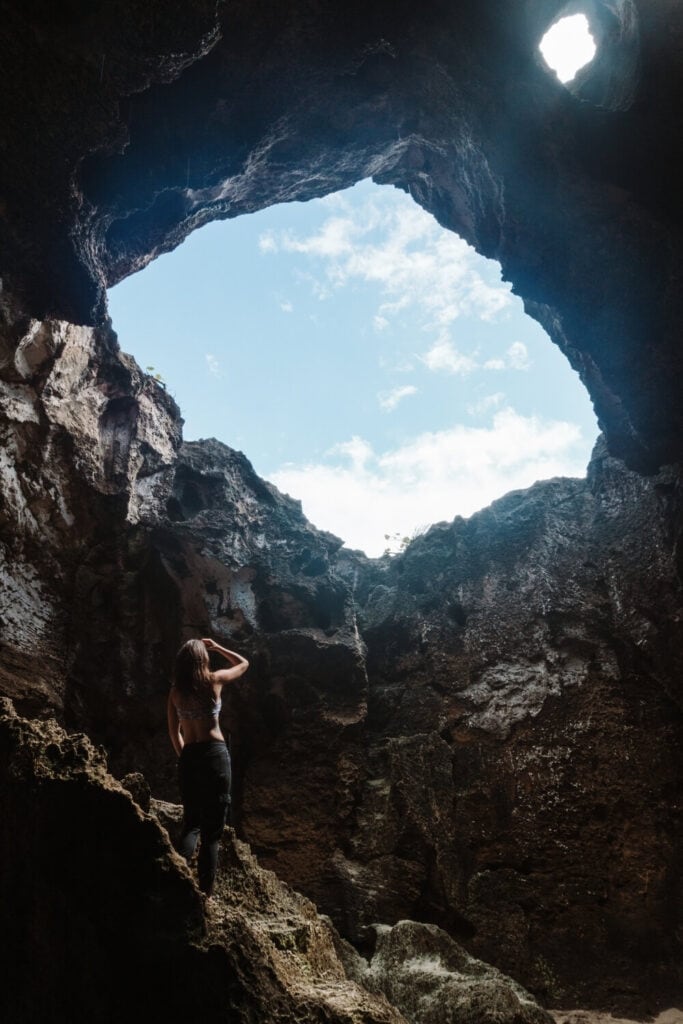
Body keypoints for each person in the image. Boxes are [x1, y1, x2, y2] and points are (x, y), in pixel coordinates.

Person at [167, 637, 249, 897]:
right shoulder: (213, 680)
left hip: (189, 755)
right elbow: (244, 663)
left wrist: (186, 759)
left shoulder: (176, 692)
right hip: (214, 755)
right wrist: (217, 647)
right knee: (212, 832)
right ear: (203, 660)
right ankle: (205, 894)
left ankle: (176, 879)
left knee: (191, 823)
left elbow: (173, 732)